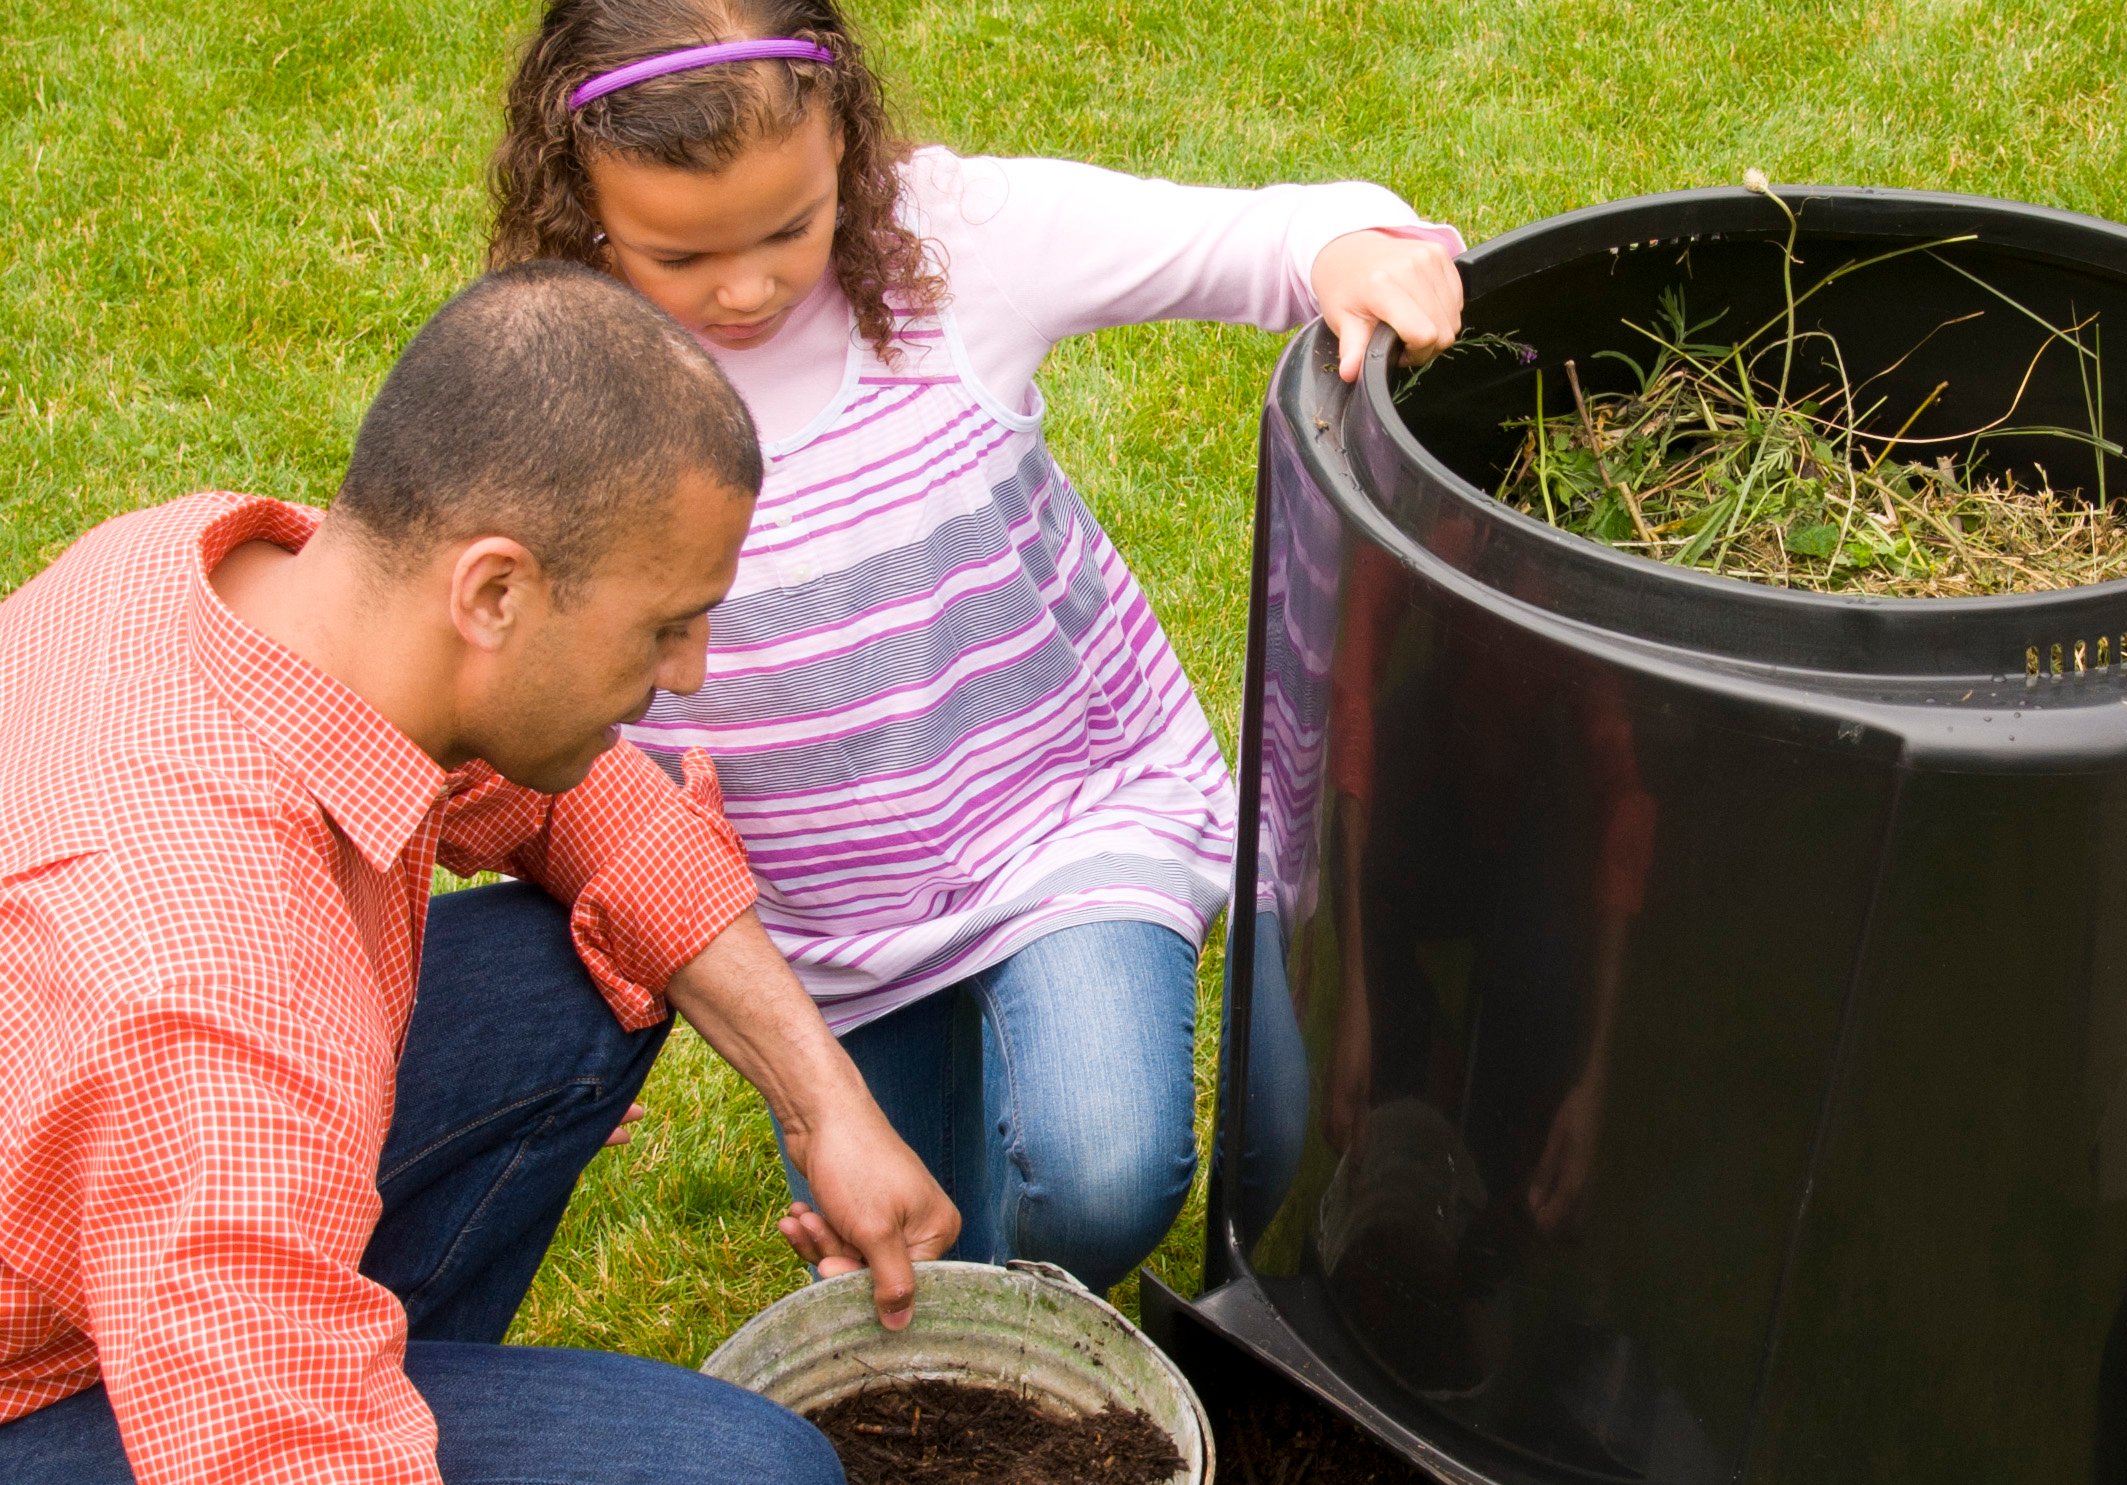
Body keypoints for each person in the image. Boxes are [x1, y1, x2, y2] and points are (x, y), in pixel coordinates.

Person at [0, 263, 1050, 1485]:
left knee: (576, 984)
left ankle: (302, 1438)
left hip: (97, 1224)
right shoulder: (219, 1007)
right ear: (494, 586)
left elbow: (578, 810)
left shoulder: (221, 580)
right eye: (663, 629)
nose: (695, 674)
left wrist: (828, 1099)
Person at [488, 0, 1464, 1293]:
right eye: (679, 254)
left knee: (1104, 1171)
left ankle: (1014, 1309)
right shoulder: (550, 371)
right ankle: (982, 1335)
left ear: (847, 145)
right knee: (910, 1246)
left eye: (791, 225)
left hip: (1059, 814)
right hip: (815, 920)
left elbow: (1262, 235)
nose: (748, 284)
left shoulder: (946, 247)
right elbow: (527, 708)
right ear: (581, 210)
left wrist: (1349, 247)